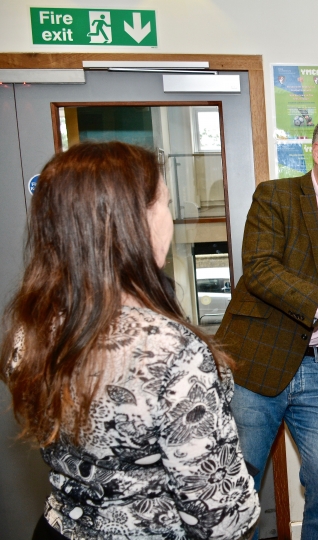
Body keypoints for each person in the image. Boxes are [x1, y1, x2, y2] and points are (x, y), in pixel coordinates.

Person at [0, 141, 260, 540]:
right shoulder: (172, 350)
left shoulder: (31, 328)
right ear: (135, 222)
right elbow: (222, 518)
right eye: (167, 204)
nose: (170, 220)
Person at [215, 115, 318, 539]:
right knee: (238, 489)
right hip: (257, 363)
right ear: (317, 152)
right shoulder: (275, 197)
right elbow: (260, 269)